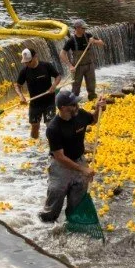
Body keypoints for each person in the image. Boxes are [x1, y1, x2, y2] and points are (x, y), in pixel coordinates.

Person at [38, 90, 106, 223]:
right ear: (63, 108)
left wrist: (98, 108)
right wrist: (83, 169)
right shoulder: (53, 128)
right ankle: (45, 225)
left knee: (78, 197)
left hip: (79, 159)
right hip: (60, 165)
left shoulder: (79, 114)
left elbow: (93, 120)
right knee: (56, 196)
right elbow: (60, 157)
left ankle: (72, 222)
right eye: (73, 104)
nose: (77, 106)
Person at [14, 48, 62, 139]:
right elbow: (17, 85)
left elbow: (58, 76)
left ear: (35, 56)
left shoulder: (46, 66)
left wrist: (54, 86)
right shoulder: (24, 71)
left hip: (49, 101)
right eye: (25, 62)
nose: (27, 64)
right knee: (35, 127)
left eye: (29, 61)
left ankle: (54, 147)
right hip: (35, 103)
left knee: (50, 125)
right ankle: (34, 146)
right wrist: (21, 96)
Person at [62, 19, 105, 100]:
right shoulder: (71, 40)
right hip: (77, 67)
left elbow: (102, 44)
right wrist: (70, 66)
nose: (85, 29)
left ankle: (92, 101)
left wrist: (94, 41)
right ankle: (74, 103)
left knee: (91, 86)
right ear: (77, 28)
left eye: (85, 28)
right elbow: (62, 54)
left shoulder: (88, 35)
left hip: (89, 65)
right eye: (83, 28)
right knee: (75, 88)